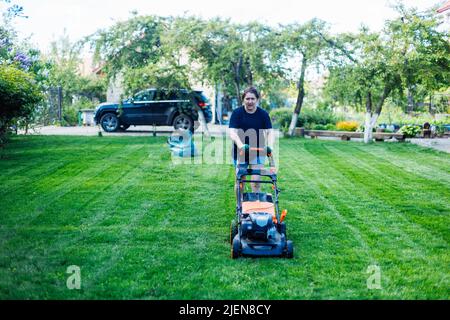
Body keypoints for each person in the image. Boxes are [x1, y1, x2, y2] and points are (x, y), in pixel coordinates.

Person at [229, 87, 275, 196]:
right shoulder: (237, 113)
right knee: (240, 181)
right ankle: (239, 207)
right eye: (247, 99)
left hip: (258, 152)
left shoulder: (263, 114)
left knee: (256, 181)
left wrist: (270, 146)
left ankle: (256, 204)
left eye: (252, 99)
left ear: (257, 99)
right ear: (243, 99)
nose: (250, 101)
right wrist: (241, 145)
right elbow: (232, 133)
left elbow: (270, 132)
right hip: (241, 153)